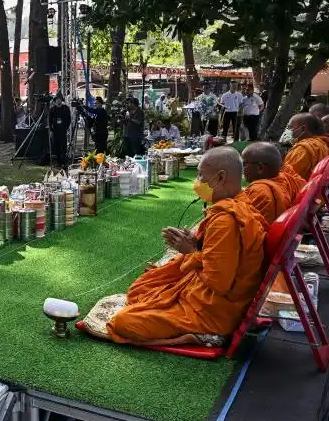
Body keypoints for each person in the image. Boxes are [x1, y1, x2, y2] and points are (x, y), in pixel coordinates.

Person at [103, 147, 266, 344]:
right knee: (141, 289)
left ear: (220, 177)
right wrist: (196, 243)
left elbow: (219, 284)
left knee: (123, 322)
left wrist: (191, 252)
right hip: (203, 294)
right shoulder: (238, 203)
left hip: (213, 311)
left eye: (200, 174)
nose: (197, 181)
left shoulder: (226, 220)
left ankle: (206, 334)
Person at [240, 142, 301, 227]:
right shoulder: (284, 178)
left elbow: (243, 226)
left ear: (260, 168)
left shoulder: (259, 192)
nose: (242, 169)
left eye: (244, 164)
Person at [283, 113, 329, 180]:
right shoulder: (321, 143)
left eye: (290, 127)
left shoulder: (302, 150)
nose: (287, 131)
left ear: (303, 129)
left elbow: (286, 178)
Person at [47, 94, 72, 167]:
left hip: (63, 130)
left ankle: (64, 160)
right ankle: (58, 161)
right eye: (57, 99)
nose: (58, 100)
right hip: (55, 130)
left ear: (61, 100)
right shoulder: (52, 109)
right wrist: (51, 130)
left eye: (59, 99)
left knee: (63, 145)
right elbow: (50, 120)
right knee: (56, 145)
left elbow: (69, 119)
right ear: (55, 101)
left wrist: (66, 128)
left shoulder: (66, 108)